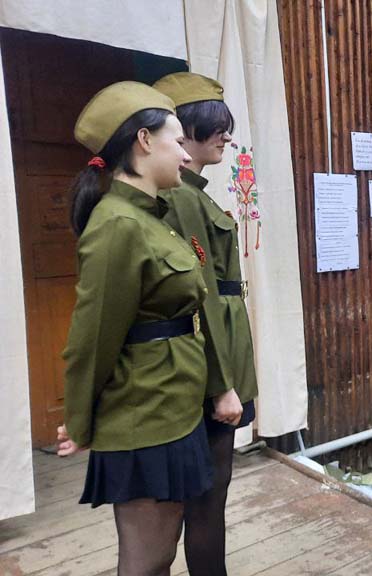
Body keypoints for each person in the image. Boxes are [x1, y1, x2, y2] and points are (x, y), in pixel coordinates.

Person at [56, 81, 211, 575]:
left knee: (162, 554)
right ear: (144, 141)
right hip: (144, 415)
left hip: (173, 405)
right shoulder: (118, 224)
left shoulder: (152, 218)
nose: (185, 155)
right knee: (146, 560)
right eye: (177, 142)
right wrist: (79, 422)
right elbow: (92, 338)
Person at [153, 72, 259, 575]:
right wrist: (221, 384)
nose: (226, 137)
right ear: (186, 129)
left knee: (209, 494)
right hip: (207, 364)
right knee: (206, 498)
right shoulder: (181, 199)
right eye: (216, 127)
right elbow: (199, 296)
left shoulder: (194, 195)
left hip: (220, 356)